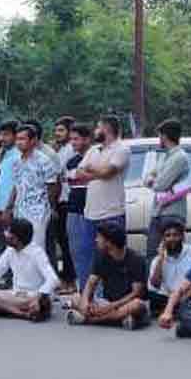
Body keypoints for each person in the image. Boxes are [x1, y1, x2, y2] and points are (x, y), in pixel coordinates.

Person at [68, 115, 128, 285]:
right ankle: (89, 295)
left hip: (111, 212)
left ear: (107, 129)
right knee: (87, 254)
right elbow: (79, 173)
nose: (95, 131)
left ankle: (113, 294)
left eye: (98, 127)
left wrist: (92, 171)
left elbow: (108, 172)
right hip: (90, 213)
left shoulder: (121, 150)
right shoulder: (93, 150)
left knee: (112, 255)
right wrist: (97, 172)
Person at [67, 220, 149, 330]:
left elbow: (136, 293)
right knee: (76, 298)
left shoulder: (136, 259)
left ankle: (90, 320)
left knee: (137, 305)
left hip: (126, 303)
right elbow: (91, 283)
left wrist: (110, 307)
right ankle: (120, 319)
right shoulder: (101, 256)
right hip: (107, 302)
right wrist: (85, 302)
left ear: (109, 242)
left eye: (99, 238)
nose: (96, 240)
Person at [0, 217, 58, 322]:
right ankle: (22, 314)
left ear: (16, 238)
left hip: (33, 297)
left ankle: (6, 309)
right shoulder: (10, 251)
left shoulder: (37, 253)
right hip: (16, 295)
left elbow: (53, 279)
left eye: (9, 233)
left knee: (41, 303)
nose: (6, 235)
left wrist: (38, 297)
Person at [6, 124, 61, 249]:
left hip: (38, 211)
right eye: (17, 139)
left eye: (22, 139)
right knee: (18, 246)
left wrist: (51, 206)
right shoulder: (16, 161)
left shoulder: (44, 161)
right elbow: (16, 185)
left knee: (36, 247)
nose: (19, 142)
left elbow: (52, 185)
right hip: (19, 210)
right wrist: (9, 207)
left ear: (33, 140)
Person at [144, 119, 190, 260]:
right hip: (158, 211)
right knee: (153, 253)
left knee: (172, 254)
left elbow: (160, 185)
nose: (159, 139)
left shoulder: (179, 157)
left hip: (172, 212)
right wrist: (152, 179)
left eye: (159, 136)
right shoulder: (165, 156)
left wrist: (154, 179)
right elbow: (147, 178)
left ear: (164, 136)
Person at [62, 122, 95, 291]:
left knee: (91, 252)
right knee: (76, 252)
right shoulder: (71, 162)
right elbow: (73, 181)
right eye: (71, 139)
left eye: (76, 139)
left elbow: (91, 178)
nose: (72, 143)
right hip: (73, 210)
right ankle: (83, 289)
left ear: (87, 139)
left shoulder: (97, 157)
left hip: (92, 211)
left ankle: (95, 292)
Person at [147, 220, 191, 314]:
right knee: (151, 296)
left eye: (175, 235)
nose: (171, 238)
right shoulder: (158, 259)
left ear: (182, 237)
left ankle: (173, 310)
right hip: (167, 297)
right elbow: (154, 285)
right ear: (163, 239)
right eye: (168, 235)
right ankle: (176, 310)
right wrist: (161, 259)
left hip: (189, 295)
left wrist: (181, 300)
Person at [48, 115, 77, 289]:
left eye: (61, 130)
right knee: (61, 241)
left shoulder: (71, 150)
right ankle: (64, 279)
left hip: (68, 200)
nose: (57, 134)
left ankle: (70, 280)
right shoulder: (59, 150)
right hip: (58, 200)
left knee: (67, 243)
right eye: (56, 130)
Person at [0, 119, 21, 251]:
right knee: (1, 247)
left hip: (12, 209)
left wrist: (8, 209)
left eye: (6, 135)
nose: (2, 138)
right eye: (1, 135)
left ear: (16, 136)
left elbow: (17, 185)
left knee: (12, 247)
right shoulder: (3, 153)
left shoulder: (19, 155)